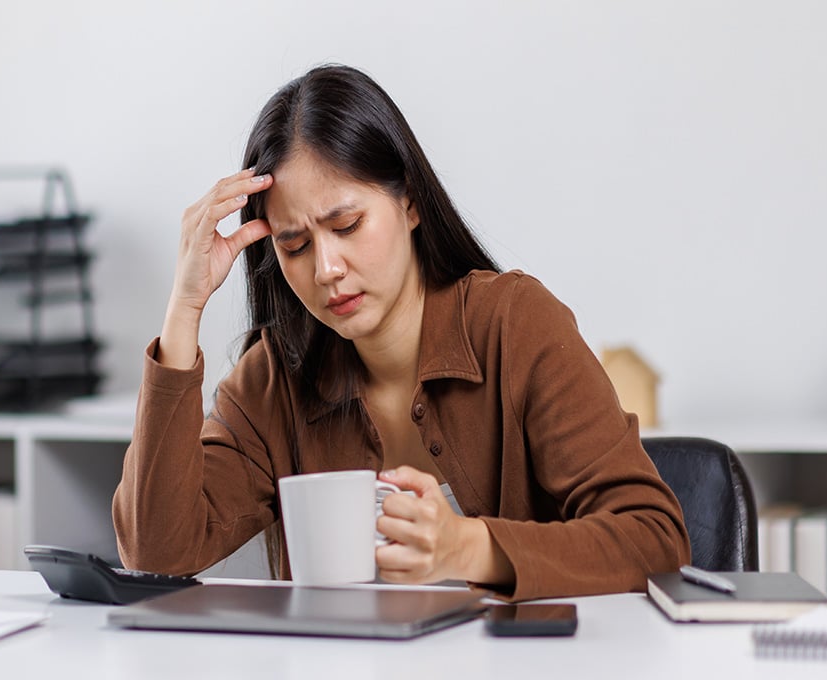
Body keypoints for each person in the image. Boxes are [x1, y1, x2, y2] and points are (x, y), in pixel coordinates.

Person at [113, 64, 690, 601]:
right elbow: (155, 552)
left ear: (410, 202)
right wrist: (184, 309)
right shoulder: (274, 378)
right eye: (294, 244)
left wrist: (467, 547)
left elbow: (654, 538)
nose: (326, 269)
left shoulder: (514, 324)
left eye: (347, 225)